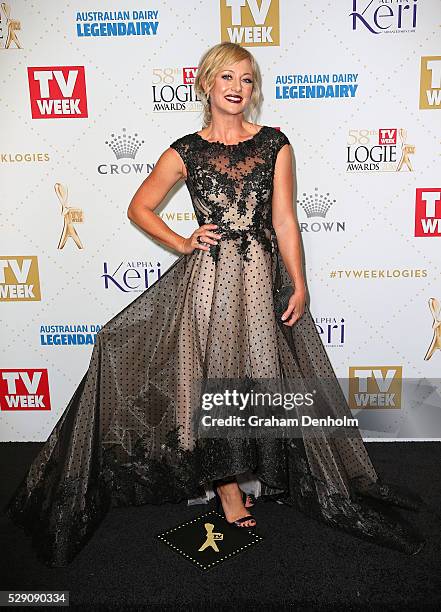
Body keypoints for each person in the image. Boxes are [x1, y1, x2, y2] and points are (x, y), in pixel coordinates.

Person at [5, 42, 427, 567]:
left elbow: (285, 221)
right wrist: (182, 242)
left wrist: (299, 281)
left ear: (254, 89)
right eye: (226, 77)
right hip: (208, 282)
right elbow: (140, 206)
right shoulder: (186, 150)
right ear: (206, 84)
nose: (237, 87)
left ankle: (261, 471)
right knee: (213, 385)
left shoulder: (276, 144)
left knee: (262, 379)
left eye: (247, 80)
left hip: (260, 280)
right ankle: (227, 490)